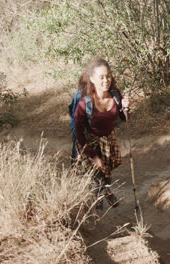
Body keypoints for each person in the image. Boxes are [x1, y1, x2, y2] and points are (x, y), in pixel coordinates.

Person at [74, 58, 130, 209]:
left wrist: (125, 108)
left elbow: (124, 119)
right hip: (89, 143)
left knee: (107, 173)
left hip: (108, 141)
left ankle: (107, 192)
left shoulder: (115, 95)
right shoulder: (85, 103)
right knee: (96, 179)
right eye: (102, 77)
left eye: (108, 76)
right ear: (92, 79)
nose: (106, 80)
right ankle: (98, 209)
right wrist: (94, 156)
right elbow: (79, 133)